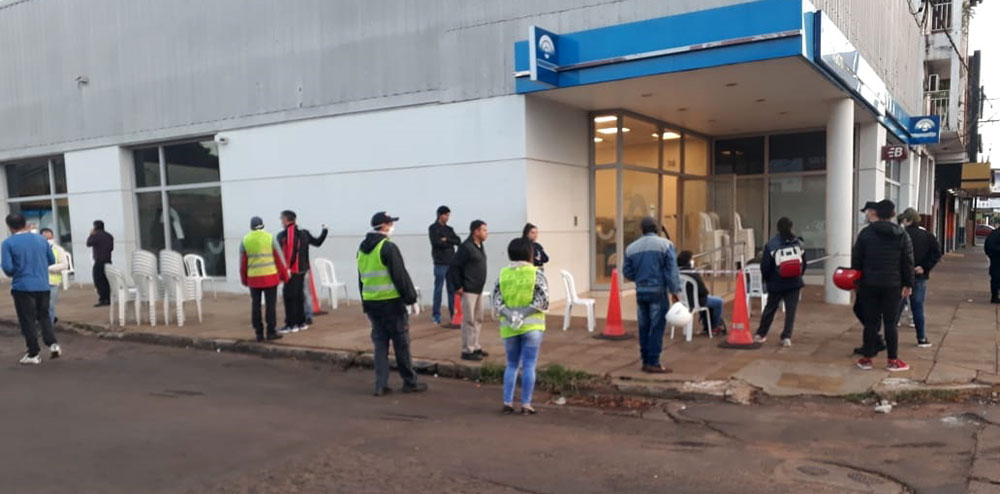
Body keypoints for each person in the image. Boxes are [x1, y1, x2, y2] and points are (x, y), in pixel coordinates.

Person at [358, 211, 427, 396]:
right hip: (391, 304)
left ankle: (380, 385)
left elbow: (361, 279)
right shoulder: (387, 247)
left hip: (372, 304)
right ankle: (409, 382)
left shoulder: (362, 249)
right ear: (383, 226)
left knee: (380, 345)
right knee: (401, 343)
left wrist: (365, 301)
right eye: (390, 224)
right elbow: (400, 276)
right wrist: (411, 298)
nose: (392, 227)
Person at [853, 200, 914, 372]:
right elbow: (907, 262)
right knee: (890, 323)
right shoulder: (902, 235)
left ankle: (866, 359)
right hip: (893, 285)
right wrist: (908, 283)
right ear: (893, 214)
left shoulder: (865, 234)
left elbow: (856, 260)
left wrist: (857, 282)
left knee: (871, 323)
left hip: (869, 285)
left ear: (877, 214)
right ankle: (892, 361)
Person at [491, 238, 549, 415]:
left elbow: (496, 300)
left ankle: (507, 402)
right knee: (529, 365)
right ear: (529, 253)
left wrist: (511, 315)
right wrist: (523, 314)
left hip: (509, 328)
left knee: (511, 364)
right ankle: (526, 404)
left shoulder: (503, 274)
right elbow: (543, 300)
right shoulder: (536, 273)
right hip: (532, 328)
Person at [622, 217, 681, 374]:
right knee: (656, 327)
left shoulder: (631, 248)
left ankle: (645, 360)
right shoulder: (666, 245)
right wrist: (675, 291)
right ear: (656, 228)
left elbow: (627, 272)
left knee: (644, 327)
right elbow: (671, 271)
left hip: (641, 291)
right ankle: (654, 362)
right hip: (658, 291)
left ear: (642, 229)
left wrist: (640, 278)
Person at [2, 214, 59, 364]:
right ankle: (53, 344)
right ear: (25, 223)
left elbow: (7, 268)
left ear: (10, 227)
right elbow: (51, 260)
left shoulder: (8, 243)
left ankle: (34, 353)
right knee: (44, 316)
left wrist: (17, 270)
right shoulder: (41, 240)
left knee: (27, 320)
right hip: (43, 284)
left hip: (23, 286)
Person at [754, 217, 806, 347]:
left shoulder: (771, 244)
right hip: (794, 283)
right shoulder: (798, 243)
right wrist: (798, 275)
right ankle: (786, 337)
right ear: (791, 227)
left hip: (776, 283)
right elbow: (804, 264)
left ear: (777, 228)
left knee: (770, 309)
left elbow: (765, 266)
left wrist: (768, 280)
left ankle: (761, 334)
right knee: (791, 311)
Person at [276, 210, 328, 333]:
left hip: (293, 270)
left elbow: (290, 250)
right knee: (300, 296)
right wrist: (324, 231)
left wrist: (287, 268)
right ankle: (301, 322)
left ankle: (291, 324)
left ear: (287, 220)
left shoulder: (286, 233)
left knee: (289, 297)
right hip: (303, 270)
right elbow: (318, 242)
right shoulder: (304, 233)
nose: (281, 221)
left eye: (282, 219)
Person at [239, 216, 289, 342]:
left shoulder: (245, 240)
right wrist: (284, 275)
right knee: (270, 306)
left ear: (251, 227)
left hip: (253, 279)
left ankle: (259, 333)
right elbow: (279, 259)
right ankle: (271, 332)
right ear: (263, 225)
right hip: (270, 277)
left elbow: (242, 263)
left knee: (255, 305)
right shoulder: (270, 238)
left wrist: (244, 279)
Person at [897, 208, 941, 347]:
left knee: (897, 307)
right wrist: (924, 267)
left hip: (901, 276)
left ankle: (888, 337)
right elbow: (936, 253)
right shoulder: (927, 236)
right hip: (919, 275)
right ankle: (921, 338)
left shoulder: (900, 235)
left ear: (907, 220)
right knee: (917, 307)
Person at [449, 220, 489, 361]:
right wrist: (458, 285)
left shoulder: (479, 246)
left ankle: (476, 346)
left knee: (478, 318)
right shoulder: (466, 247)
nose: (486, 233)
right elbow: (454, 266)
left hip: (478, 289)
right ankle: (467, 349)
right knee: (469, 320)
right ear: (475, 231)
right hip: (468, 289)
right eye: (484, 230)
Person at [676, 250, 725, 336]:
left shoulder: (677, 272)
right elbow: (702, 290)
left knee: (707, 301)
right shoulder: (692, 273)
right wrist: (706, 294)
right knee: (719, 302)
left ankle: (707, 326)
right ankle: (715, 326)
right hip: (697, 301)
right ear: (688, 261)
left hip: (683, 302)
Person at [428, 205, 461, 325]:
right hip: (440, 263)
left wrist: (446, 240)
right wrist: (447, 242)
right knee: (438, 289)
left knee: (451, 290)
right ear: (439, 215)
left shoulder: (449, 229)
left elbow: (458, 241)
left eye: (448, 215)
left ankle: (454, 314)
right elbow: (436, 243)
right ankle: (436, 315)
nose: (447, 217)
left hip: (451, 262)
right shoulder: (433, 228)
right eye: (445, 215)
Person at [39, 228, 68, 325]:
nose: (47, 239)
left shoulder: (58, 249)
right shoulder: (37, 249)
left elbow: (64, 265)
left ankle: (49, 327)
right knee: (41, 306)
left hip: (53, 282)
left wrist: (50, 268)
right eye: (44, 236)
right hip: (40, 282)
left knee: (49, 305)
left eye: (49, 236)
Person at [86, 220, 113, 307]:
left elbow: (88, 243)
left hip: (99, 261)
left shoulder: (96, 236)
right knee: (106, 280)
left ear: (95, 227)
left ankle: (102, 299)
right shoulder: (109, 236)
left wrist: (91, 234)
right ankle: (108, 298)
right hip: (108, 260)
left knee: (98, 280)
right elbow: (111, 248)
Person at [986, 221, 1000, 303]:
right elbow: (990, 247)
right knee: (996, 279)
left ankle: (995, 296)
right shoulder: (996, 235)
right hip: (997, 260)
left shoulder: (994, 234)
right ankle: (995, 297)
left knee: (996, 279)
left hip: (995, 259)